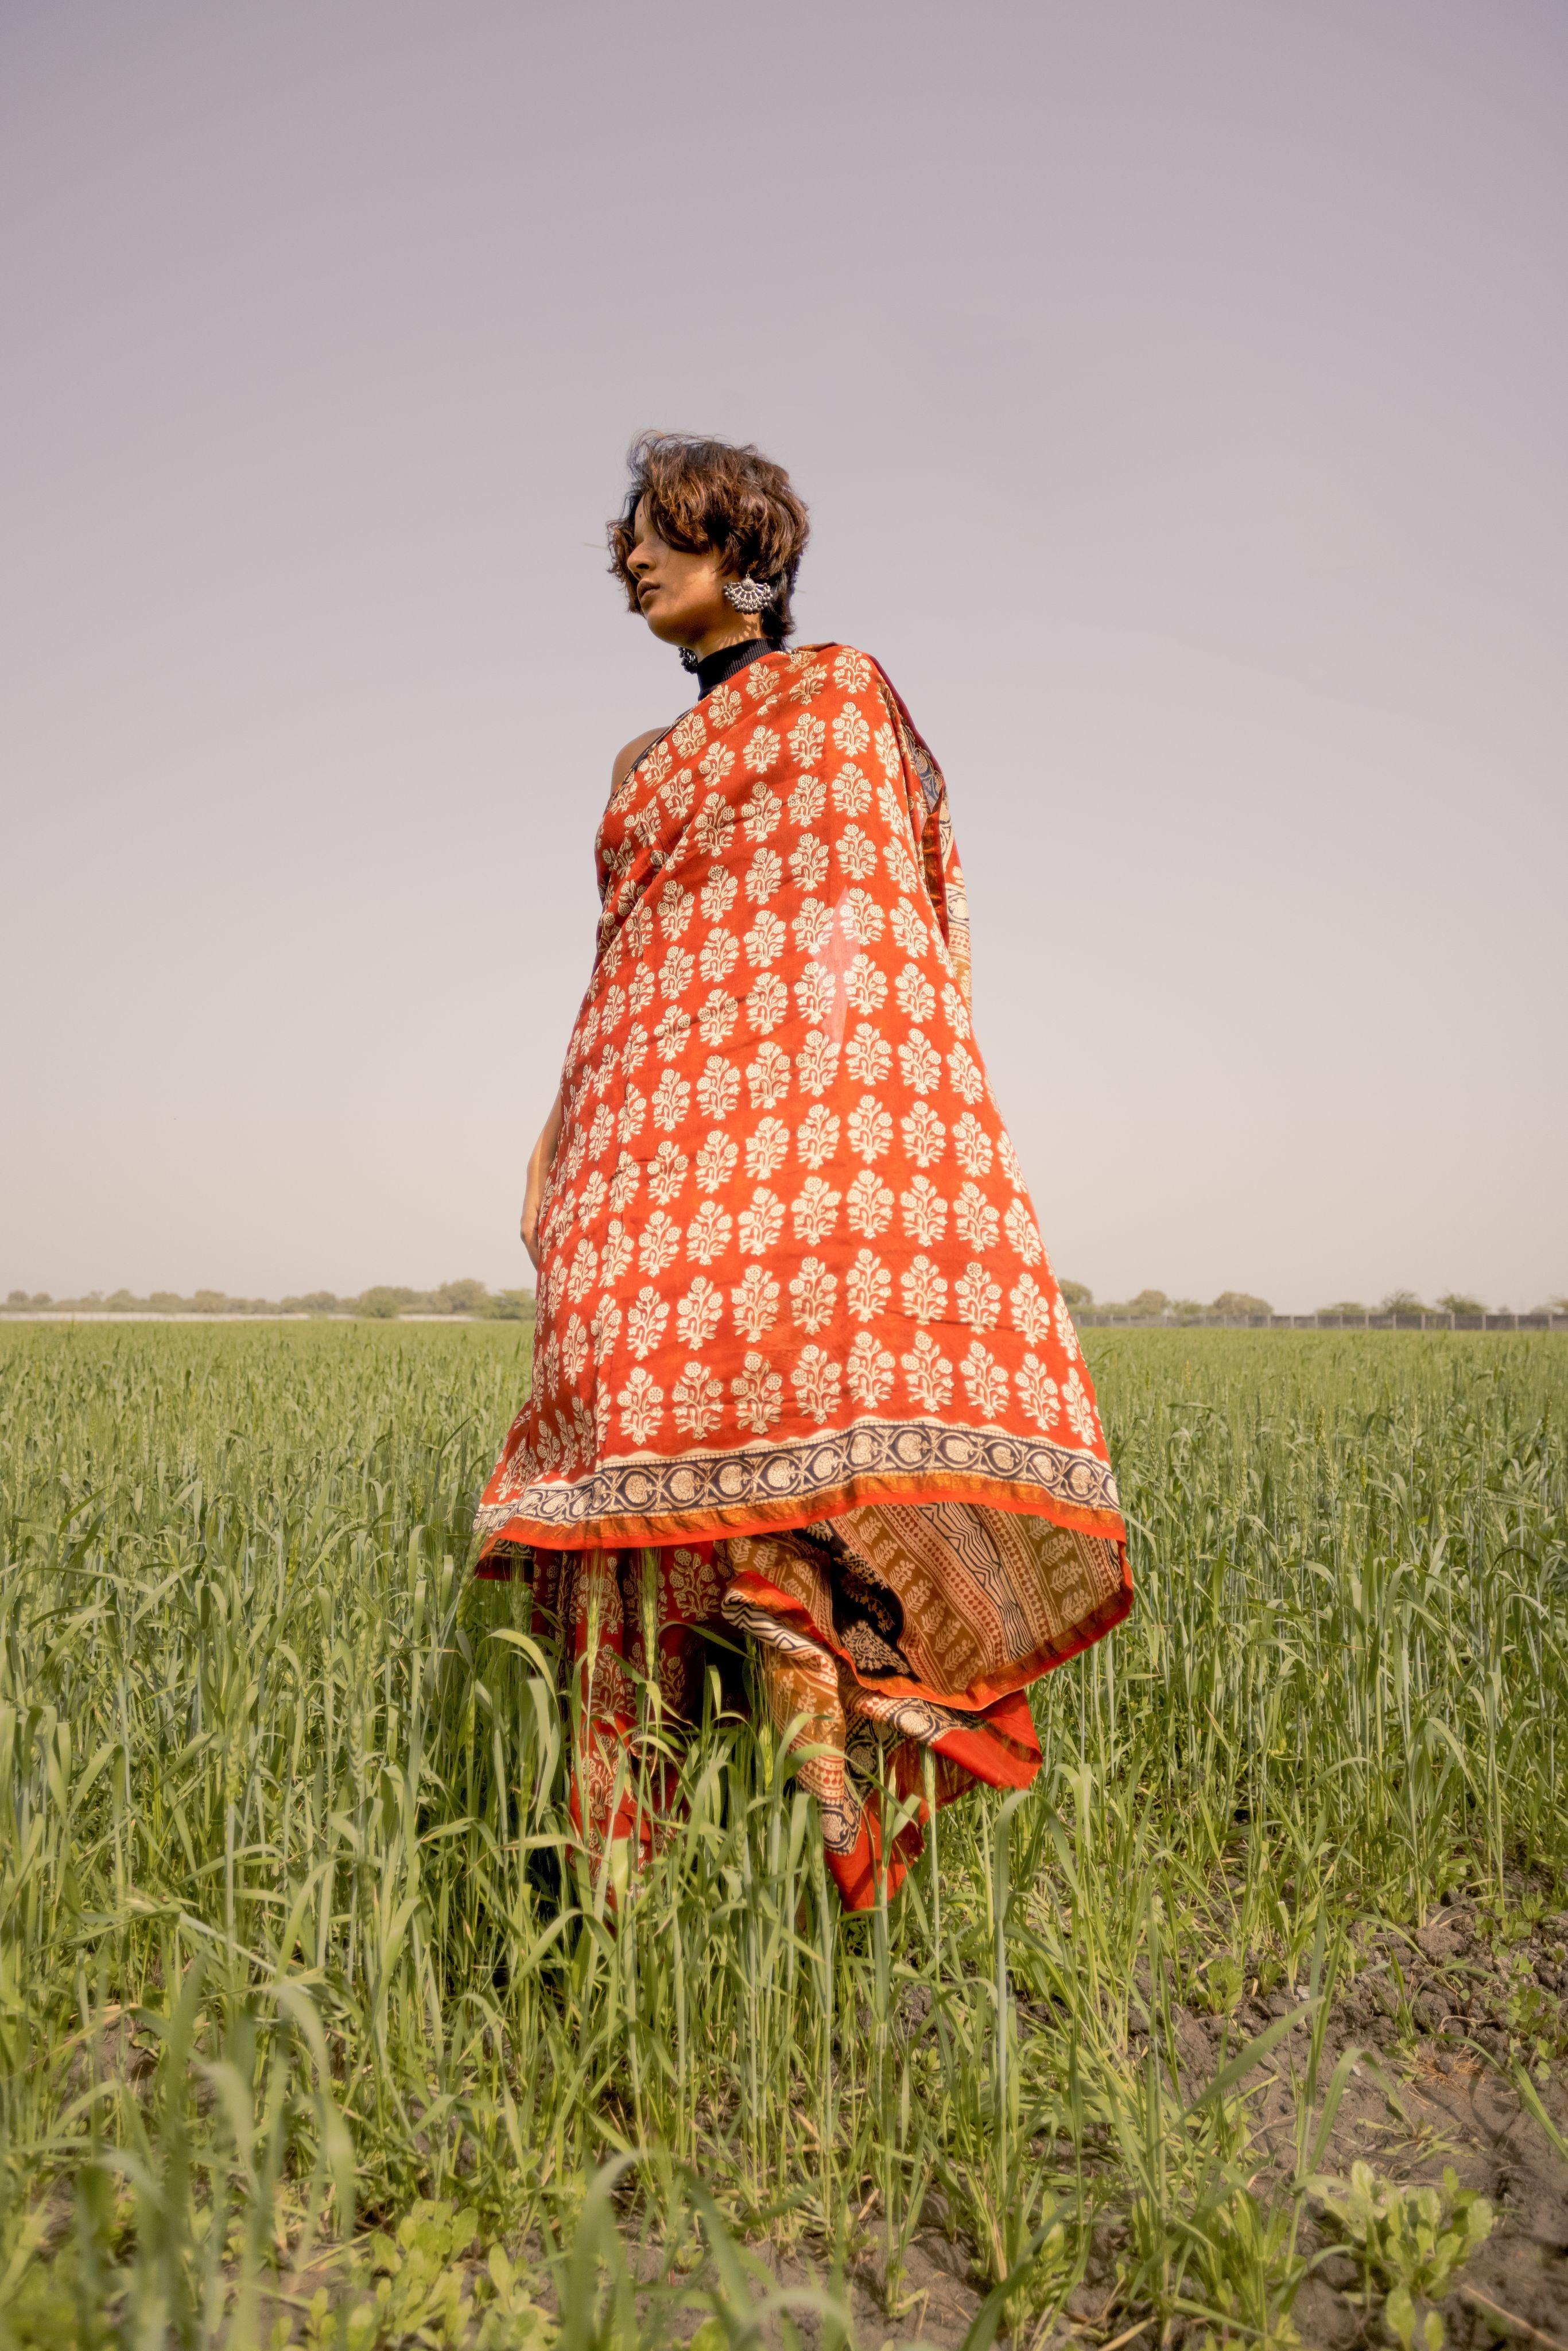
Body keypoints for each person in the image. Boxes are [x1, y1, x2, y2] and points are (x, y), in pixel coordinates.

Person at [475, 433, 1130, 1908]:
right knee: (635, 1471)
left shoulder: (839, 697)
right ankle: (615, 1860)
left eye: (665, 532)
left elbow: (880, 931)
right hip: (632, 1150)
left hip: (778, 1153)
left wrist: (846, 1122)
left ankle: (823, 1768)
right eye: (629, 538)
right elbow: (629, 965)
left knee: (781, 1459)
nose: (636, 558)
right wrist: (553, 1129)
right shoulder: (642, 762)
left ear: (741, 547)